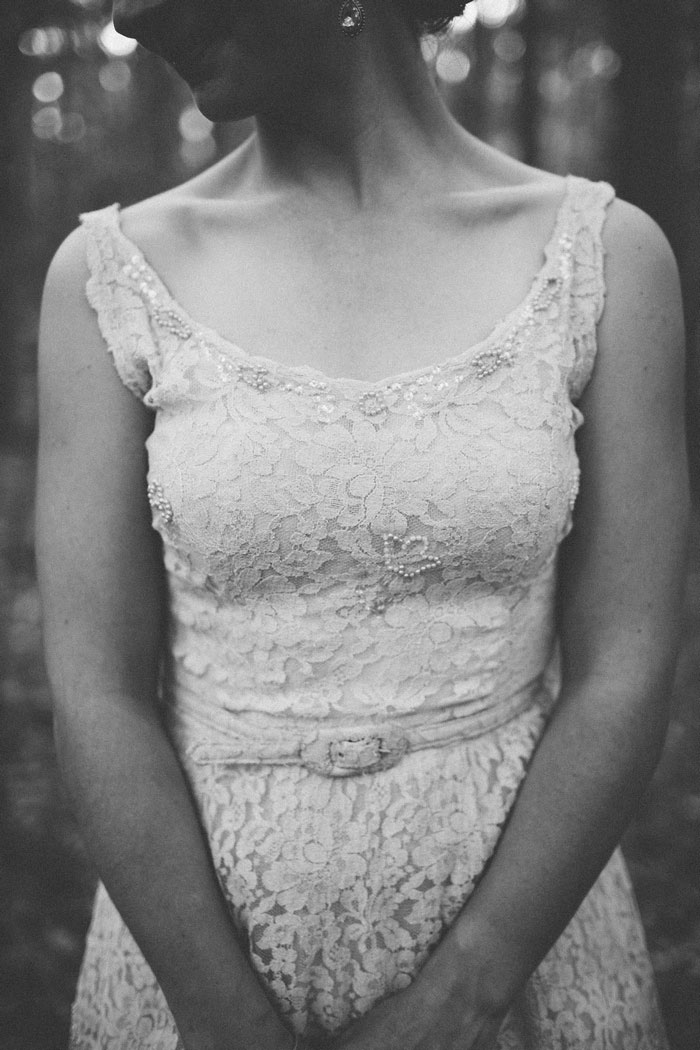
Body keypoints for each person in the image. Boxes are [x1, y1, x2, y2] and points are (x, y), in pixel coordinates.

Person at [35, 0, 688, 1048]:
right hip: (195, 955)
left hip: (523, 960)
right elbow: (96, 690)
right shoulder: (111, 279)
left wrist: (467, 994)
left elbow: (627, 662)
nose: (129, 13)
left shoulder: (604, 257)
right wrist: (217, 1015)